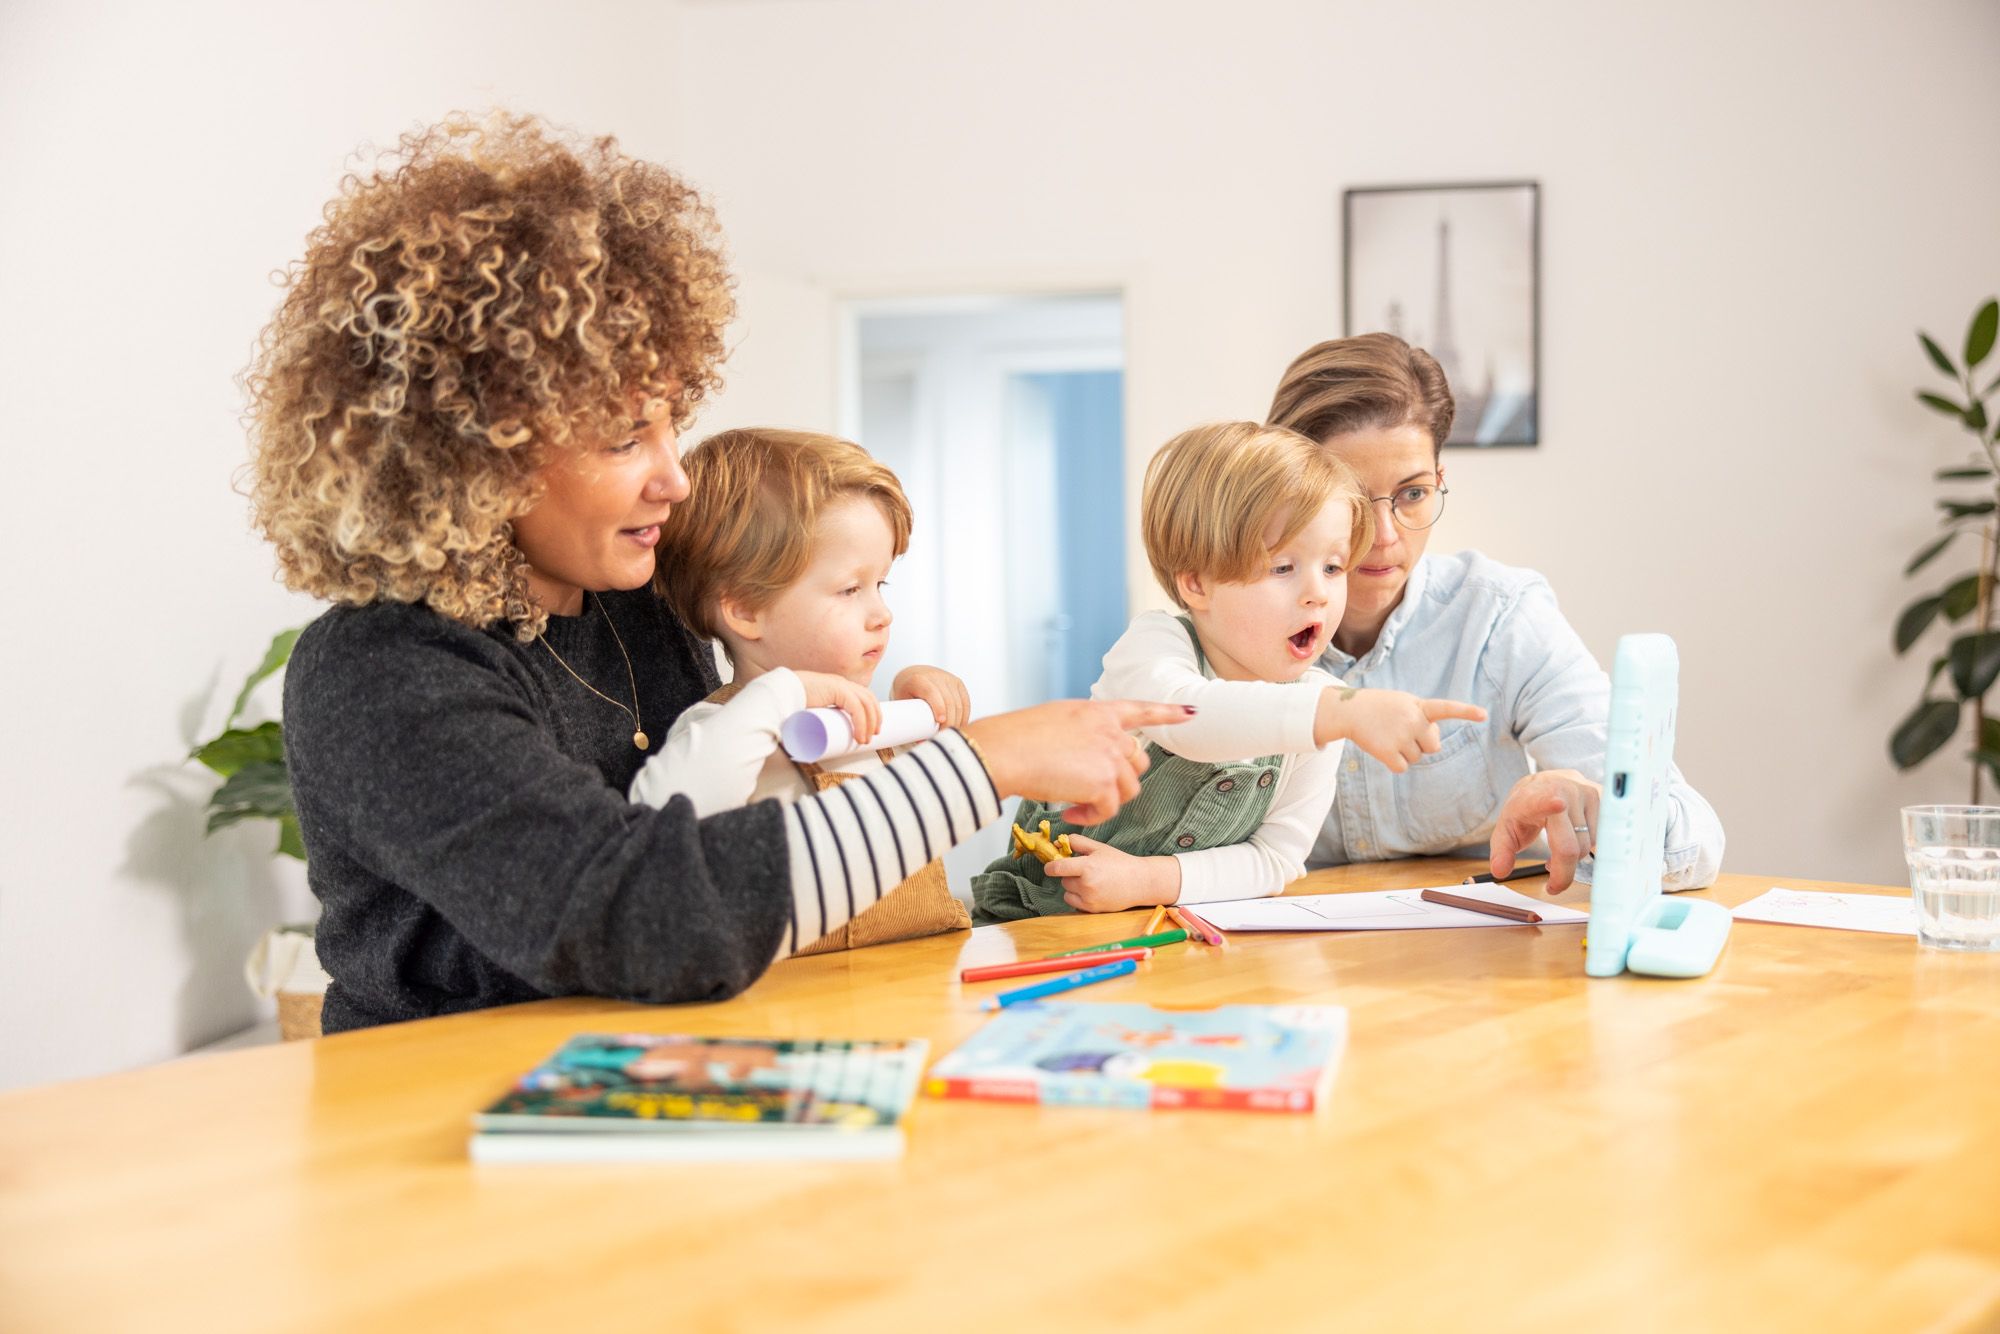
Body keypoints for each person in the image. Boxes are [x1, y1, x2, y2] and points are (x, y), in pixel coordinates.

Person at [244, 113, 1182, 1033]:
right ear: (475, 456)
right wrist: (985, 762)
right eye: (624, 439)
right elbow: (639, 915)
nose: (675, 479)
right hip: (439, 1102)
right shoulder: (382, 668)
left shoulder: (638, 602)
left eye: (670, 426)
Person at [970, 421, 1486, 922]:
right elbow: (1190, 719)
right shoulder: (1155, 647)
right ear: (1197, 584)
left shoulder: (1321, 708)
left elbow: (1276, 858)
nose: (1318, 593)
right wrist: (1341, 710)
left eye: (1332, 567)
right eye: (1283, 568)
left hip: (1163, 935)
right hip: (1031, 920)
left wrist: (1147, 880)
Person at [1265, 333, 1724, 891]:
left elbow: (1695, 842)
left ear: (1439, 480)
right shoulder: (1228, 629)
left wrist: (1604, 814)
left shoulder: (1498, 616)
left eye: (1413, 494)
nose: (1385, 536)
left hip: (1480, 936)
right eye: (1353, 501)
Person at [631, 428, 974, 951]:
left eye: (880, 585)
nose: (881, 614)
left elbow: (940, 804)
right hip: (797, 995)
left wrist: (919, 716)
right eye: (850, 589)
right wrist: (780, 695)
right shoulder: (723, 730)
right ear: (746, 610)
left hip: (924, 976)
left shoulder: (879, 723)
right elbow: (656, 819)